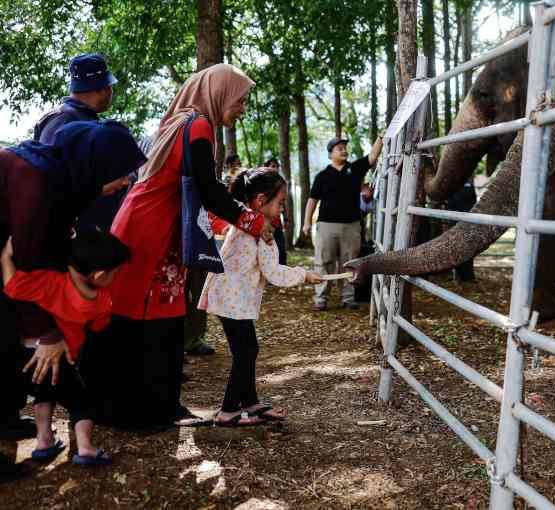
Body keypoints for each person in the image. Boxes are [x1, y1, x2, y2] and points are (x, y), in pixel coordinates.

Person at [84, 64, 273, 431]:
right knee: (146, 320)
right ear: (218, 93)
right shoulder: (197, 126)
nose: (243, 108)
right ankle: (140, 412)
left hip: (155, 225)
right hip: (149, 230)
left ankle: (165, 406)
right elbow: (209, 190)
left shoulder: (185, 122)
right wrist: (252, 221)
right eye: (240, 100)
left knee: (168, 318)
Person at [0, 121, 144, 479]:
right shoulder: (32, 181)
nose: (126, 182)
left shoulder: (62, 179)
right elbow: (29, 259)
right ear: (95, 165)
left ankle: (24, 429)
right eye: (120, 173)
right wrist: (46, 333)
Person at [199, 169, 323, 426]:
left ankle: (250, 402)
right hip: (233, 300)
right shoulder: (260, 230)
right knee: (245, 352)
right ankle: (228, 410)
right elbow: (274, 273)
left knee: (246, 350)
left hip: (229, 297)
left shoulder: (246, 220)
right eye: (280, 203)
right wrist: (304, 275)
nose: (282, 209)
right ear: (260, 200)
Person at [2, 230, 130, 467]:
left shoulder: (50, 282)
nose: (117, 276)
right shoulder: (100, 300)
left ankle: (44, 441)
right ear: (99, 275)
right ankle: (86, 448)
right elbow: (101, 325)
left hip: (30, 358)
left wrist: (5, 257)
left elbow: (11, 286)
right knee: (83, 404)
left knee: (43, 394)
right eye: (116, 272)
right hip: (64, 359)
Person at [34, 53, 127, 232]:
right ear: (102, 88)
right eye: (110, 86)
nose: (111, 92)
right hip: (69, 235)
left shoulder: (85, 120)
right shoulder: (64, 120)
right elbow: (47, 180)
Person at [303, 134, 383, 311]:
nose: (344, 150)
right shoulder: (322, 176)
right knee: (324, 262)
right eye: (339, 148)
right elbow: (312, 201)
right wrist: (306, 222)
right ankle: (321, 298)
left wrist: (380, 138)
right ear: (330, 153)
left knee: (350, 262)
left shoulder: (354, 169)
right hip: (326, 226)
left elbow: (372, 157)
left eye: (345, 147)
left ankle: (348, 298)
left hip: (352, 226)